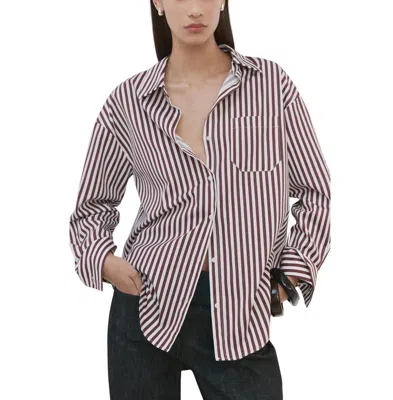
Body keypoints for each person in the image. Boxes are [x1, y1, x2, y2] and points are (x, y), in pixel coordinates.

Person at [68, 1, 331, 399]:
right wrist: (105, 263)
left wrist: (291, 275)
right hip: (146, 302)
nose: (195, 9)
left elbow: (315, 191)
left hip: (239, 311)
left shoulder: (271, 87)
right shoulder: (128, 103)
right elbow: (92, 206)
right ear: (158, 3)